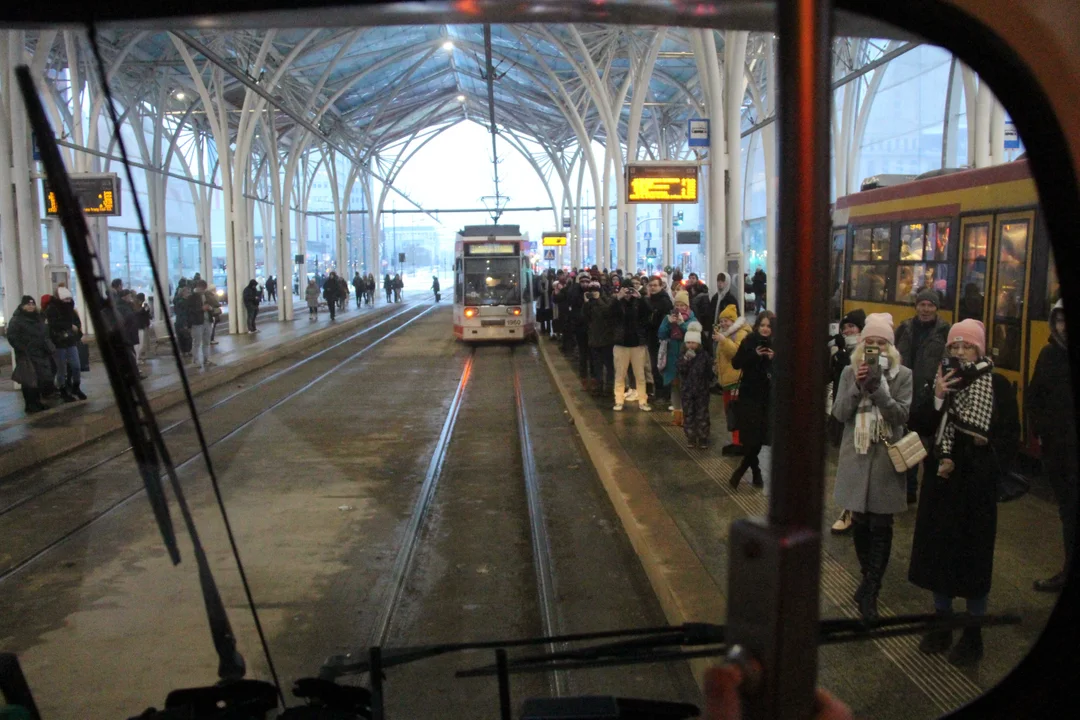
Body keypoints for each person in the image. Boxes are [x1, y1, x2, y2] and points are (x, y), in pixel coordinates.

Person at [909, 319, 1018, 664]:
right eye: (954, 346)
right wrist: (938, 396)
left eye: (966, 346)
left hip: (976, 487)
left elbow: (1010, 436)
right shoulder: (942, 380)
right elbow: (921, 424)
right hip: (942, 481)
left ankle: (973, 634)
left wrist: (987, 446)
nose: (958, 352)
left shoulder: (997, 385)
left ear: (980, 350)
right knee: (939, 553)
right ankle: (942, 622)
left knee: (973, 558)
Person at [831, 312, 912, 624]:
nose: (874, 347)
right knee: (861, 524)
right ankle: (867, 581)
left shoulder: (903, 375)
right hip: (857, 455)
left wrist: (878, 389)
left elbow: (901, 416)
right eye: (869, 342)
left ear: (889, 347)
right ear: (861, 345)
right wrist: (859, 386)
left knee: (882, 525)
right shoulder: (849, 373)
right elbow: (839, 414)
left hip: (885, 459)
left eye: (881, 343)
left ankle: (871, 591)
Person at [1027, 300, 1076, 593]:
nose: (1064, 327)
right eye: (1060, 320)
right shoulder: (1049, 355)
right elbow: (1035, 399)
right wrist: (1043, 434)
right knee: (1068, 514)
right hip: (1060, 453)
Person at [894, 289, 950, 504]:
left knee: (928, 445)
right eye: (922, 305)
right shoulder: (905, 329)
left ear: (936, 308)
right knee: (908, 442)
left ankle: (930, 492)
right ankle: (909, 491)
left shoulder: (944, 332)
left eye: (930, 305)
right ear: (916, 306)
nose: (925, 309)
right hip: (906, 393)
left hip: (929, 397)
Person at [828, 309, 867, 534]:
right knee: (851, 465)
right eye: (845, 328)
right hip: (848, 416)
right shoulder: (841, 353)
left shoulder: (885, 362)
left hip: (872, 421)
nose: (849, 331)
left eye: (853, 327)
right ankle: (850, 510)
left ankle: (861, 511)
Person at [730, 311, 778, 490]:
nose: (765, 329)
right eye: (762, 325)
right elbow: (736, 363)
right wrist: (754, 355)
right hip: (749, 396)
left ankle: (744, 469)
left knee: (758, 437)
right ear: (757, 325)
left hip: (768, 398)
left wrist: (773, 360)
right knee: (751, 437)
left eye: (769, 326)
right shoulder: (749, 340)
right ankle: (755, 472)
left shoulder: (778, 344)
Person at [714, 303, 751, 456]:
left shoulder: (739, 334)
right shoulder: (726, 333)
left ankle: (739, 442)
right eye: (721, 321)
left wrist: (723, 340)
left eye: (726, 320)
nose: (723, 323)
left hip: (736, 379)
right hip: (727, 381)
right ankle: (736, 441)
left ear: (733, 320)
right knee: (730, 412)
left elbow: (736, 353)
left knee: (735, 411)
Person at [611, 283, 652, 412]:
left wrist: (640, 297)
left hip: (637, 344)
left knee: (640, 374)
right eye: (625, 289)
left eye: (630, 290)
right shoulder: (617, 302)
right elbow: (608, 314)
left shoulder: (638, 302)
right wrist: (618, 298)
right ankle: (618, 400)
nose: (628, 293)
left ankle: (643, 401)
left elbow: (649, 312)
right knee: (620, 374)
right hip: (620, 344)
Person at [657, 290, 696, 426]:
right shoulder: (668, 317)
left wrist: (681, 324)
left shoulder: (692, 318)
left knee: (686, 386)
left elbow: (694, 336)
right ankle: (677, 415)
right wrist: (668, 323)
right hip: (672, 355)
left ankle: (688, 416)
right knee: (675, 386)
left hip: (687, 357)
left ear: (687, 306)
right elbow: (661, 334)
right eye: (677, 304)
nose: (679, 307)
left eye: (682, 305)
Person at [8, 296, 52, 413]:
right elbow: (12, 337)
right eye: (28, 304)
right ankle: (30, 405)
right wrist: (22, 348)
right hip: (26, 355)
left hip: (40, 353)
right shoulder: (16, 320)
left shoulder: (38, 317)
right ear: (23, 306)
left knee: (39, 380)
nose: (31, 306)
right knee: (28, 381)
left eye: (32, 304)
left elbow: (44, 333)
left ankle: (37, 402)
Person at [45, 285, 85, 402]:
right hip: (59, 343)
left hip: (71, 341)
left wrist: (76, 329)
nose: (68, 301)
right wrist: (69, 326)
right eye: (65, 299)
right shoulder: (52, 309)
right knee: (61, 368)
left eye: (69, 299)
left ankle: (76, 387)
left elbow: (76, 322)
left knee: (76, 366)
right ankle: (63, 390)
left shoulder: (70, 308)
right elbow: (54, 324)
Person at [678, 321, 714, 448]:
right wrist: (686, 360)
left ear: (698, 343)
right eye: (688, 342)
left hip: (702, 391)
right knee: (688, 414)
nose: (691, 345)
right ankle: (691, 437)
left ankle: (703, 437)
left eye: (693, 342)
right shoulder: (683, 356)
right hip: (687, 391)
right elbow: (680, 369)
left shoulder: (704, 356)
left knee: (702, 414)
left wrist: (709, 382)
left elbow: (709, 372)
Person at [645, 276, 674, 408]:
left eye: (655, 285)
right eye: (650, 285)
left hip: (662, 340)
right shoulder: (649, 300)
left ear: (661, 286)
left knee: (663, 367)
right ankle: (659, 394)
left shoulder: (665, 301)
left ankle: (665, 395)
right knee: (655, 367)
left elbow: (661, 321)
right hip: (652, 338)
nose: (652, 287)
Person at [583, 281, 616, 397]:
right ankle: (599, 385)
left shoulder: (606, 300)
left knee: (609, 365)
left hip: (607, 339)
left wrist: (598, 300)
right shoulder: (589, 303)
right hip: (594, 339)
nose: (593, 293)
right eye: (591, 291)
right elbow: (585, 318)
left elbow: (608, 312)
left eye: (596, 290)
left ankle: (609, 386)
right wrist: (587, 303)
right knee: (597, 365)